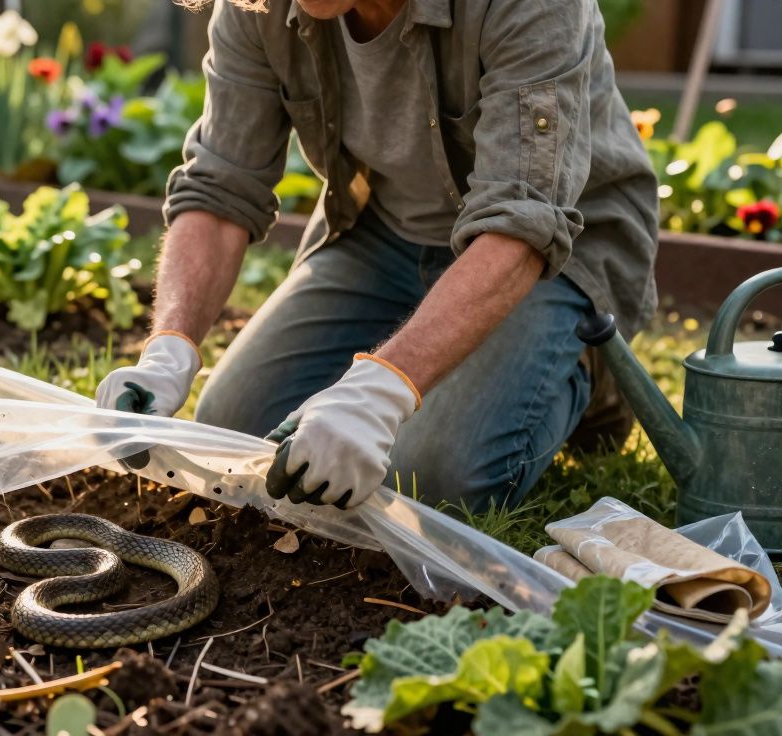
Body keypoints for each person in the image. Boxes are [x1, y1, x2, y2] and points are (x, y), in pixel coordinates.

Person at [94, 0, 657, 513]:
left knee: (427, 479)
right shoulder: (257, 5)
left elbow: (523, 223)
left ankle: (587, 363)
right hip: (383, 235)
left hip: (550, 253)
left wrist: (378, 393)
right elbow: (220, 186)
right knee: (235, 427)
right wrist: (167, 351)